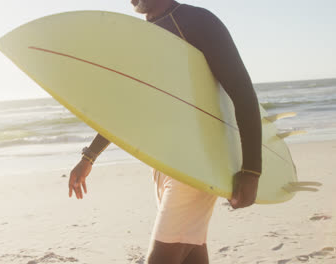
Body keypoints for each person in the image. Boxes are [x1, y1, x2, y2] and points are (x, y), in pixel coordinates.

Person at [68, 0, 262, 263]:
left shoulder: (197, 21)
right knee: (190, 252)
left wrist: (251, 170)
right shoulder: (141, 37)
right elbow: (128, 107)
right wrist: (89, 156)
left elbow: (242, 92)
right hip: (162, 164)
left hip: (196, 163)